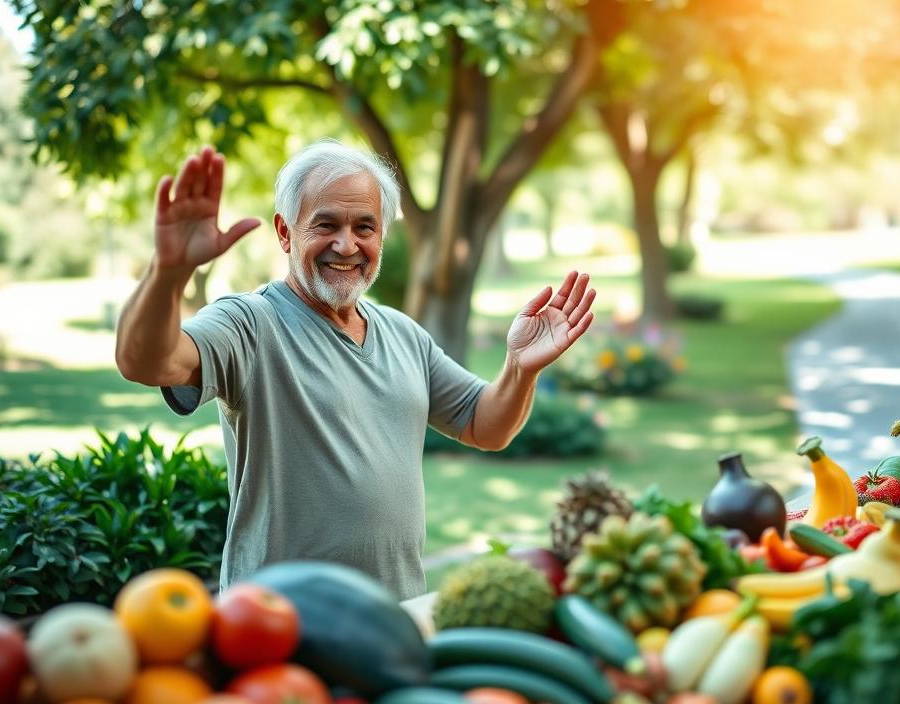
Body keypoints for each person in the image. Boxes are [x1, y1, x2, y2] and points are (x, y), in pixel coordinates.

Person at [115, 141, 596, 599]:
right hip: (277, 626)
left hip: (393, 618)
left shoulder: (403, 334)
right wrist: (168, 272)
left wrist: (519, 368)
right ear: (285, 232)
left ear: (382, 236)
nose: (346, 246)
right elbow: (147, 361)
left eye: (365, 228)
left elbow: (484, 425)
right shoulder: (250, 323)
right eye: (325, 225)